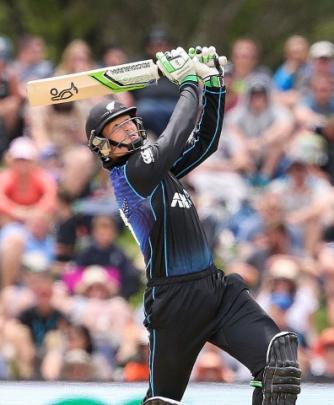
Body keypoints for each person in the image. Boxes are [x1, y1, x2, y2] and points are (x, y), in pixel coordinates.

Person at [84, 46, 301, 405]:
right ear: (103, 146)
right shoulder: (131, 177)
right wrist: (188, 82)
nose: (129, 127)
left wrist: (213, 84)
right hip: (173, 301)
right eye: (118, 127)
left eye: (128, 120)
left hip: (215, 291)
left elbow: (205, 142)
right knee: (162, 401)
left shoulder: (158, 172)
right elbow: (174, 137)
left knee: (279, 367)